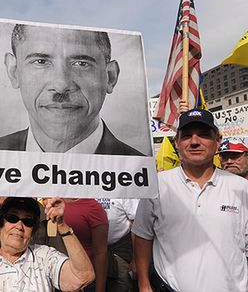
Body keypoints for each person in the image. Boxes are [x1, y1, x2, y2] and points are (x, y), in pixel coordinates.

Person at [132, 109, 248, 292]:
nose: (194, 142)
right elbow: (142, 236)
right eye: (187, 136)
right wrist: (144, 284)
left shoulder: (242, 188)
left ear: (217, 142)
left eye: (203, 135)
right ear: (176, 143)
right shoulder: (157, 186)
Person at [0, 23, 143, 155]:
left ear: (110, 77)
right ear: (14, 72)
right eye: (41, 62)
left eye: (81, 63)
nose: (60, 86)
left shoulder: (139, 171)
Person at [0, 196, 95, 291]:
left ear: (33, 231)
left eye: (28, 221)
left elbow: (83, 277)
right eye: (12, 218)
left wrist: (62, 225)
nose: (19, 226)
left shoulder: (44, 256)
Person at [33, 198, 108, 292]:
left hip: (80, 277)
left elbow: (100, 252)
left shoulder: (93, 207)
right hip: (45, 275)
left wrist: (100, 288)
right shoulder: (44, 202)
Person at [98, 198, 139, 292]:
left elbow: (136, 224)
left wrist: (136, 260)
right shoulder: (84, 188)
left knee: (121, 284)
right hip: (91, 251)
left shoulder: (124, 189)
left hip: (120, 249)